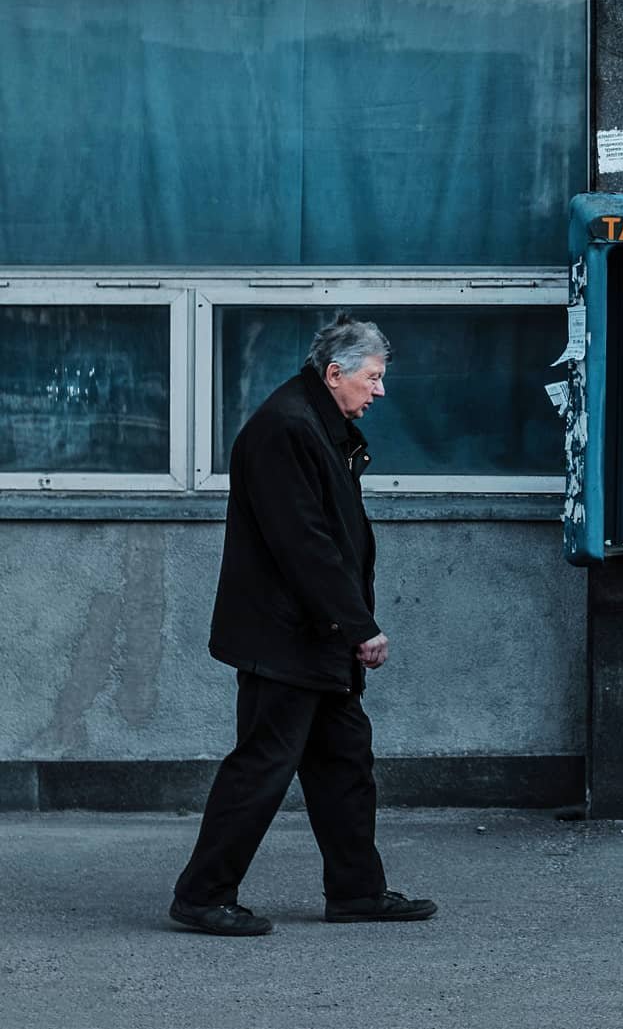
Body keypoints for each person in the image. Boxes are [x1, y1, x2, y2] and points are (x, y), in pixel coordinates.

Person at [169, 314, 436, 936]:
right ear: (334, 372)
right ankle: (202, 894)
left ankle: (357, 891)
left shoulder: (319, 424)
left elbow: (328, 541)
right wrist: (357, 626)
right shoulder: (287, 428)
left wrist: (346, 626)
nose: (380, 391)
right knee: (263, 765)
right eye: (372, 378)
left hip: (315, 638)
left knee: (344, 763)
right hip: (285, 638)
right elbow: (304, 544)